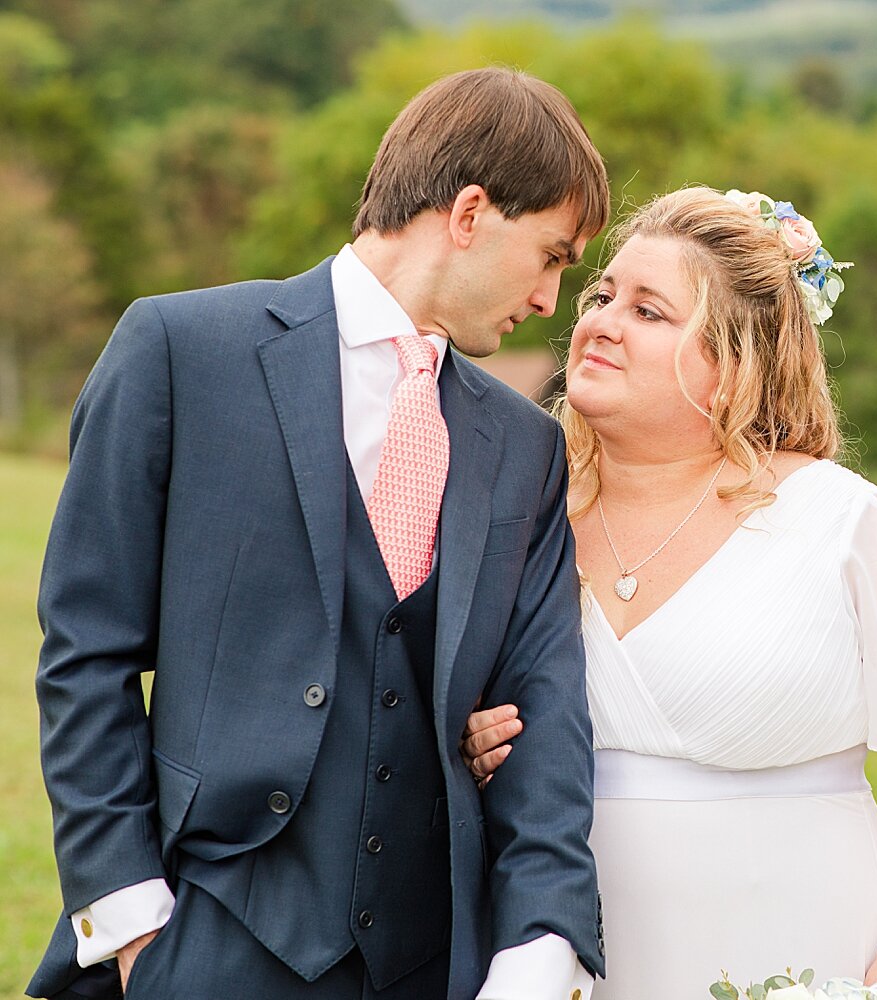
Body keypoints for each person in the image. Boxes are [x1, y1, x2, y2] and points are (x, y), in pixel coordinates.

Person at [31, 68, 609, 1000]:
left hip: (433, 961)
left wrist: (540, 944)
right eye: (550, 255)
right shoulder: (182, 353)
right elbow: (84, 651)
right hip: (207, 933)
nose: (551, 299)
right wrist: (131, 920)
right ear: (469, 213)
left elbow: (547, 716)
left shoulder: (526, 447)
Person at [463, 187, 877, 1000]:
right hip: (571, 958)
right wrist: (471, 746)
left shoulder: (838, 520)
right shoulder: (524, 517)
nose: (601, 321)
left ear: (734, 360)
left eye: (649, 312)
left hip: (797, 945)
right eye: (603, 296)